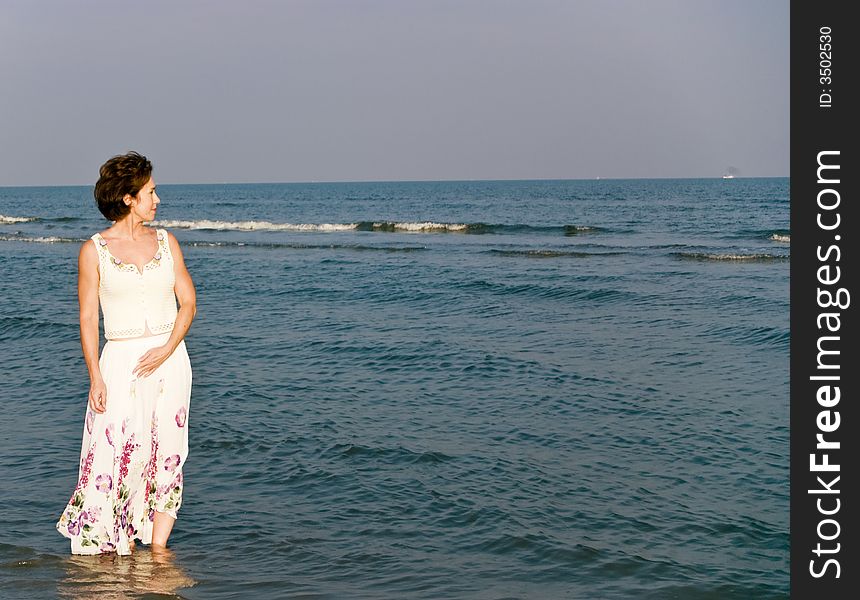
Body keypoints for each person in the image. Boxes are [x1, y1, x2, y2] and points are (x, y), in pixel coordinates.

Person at [56, 151, 197, 555]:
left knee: (168, 453)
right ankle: (117, 543)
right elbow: (87, 319)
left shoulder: (167, 242)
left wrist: (167, 348)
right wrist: (94, 377)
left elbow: (188, 303)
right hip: (119, 364)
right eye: (151, 192)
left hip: (170, 363)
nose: (158, 200)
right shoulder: (93, 250)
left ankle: (158, 552)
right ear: (128, 198)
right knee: (120, 453)